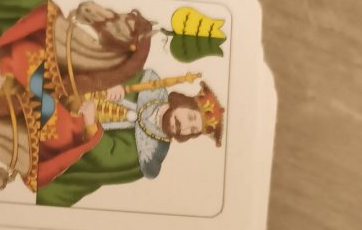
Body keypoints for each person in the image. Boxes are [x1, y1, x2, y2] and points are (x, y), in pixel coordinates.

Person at [36, 71, 225, 207]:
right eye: (190, 117)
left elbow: (105, 158)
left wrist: (90, 123)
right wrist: (113, 83)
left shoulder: (148, 154)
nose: (184, 127)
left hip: (55, 168)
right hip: (63, 97)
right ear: (184, 103)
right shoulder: (149, 85)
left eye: (192, 130)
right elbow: (117, 71)